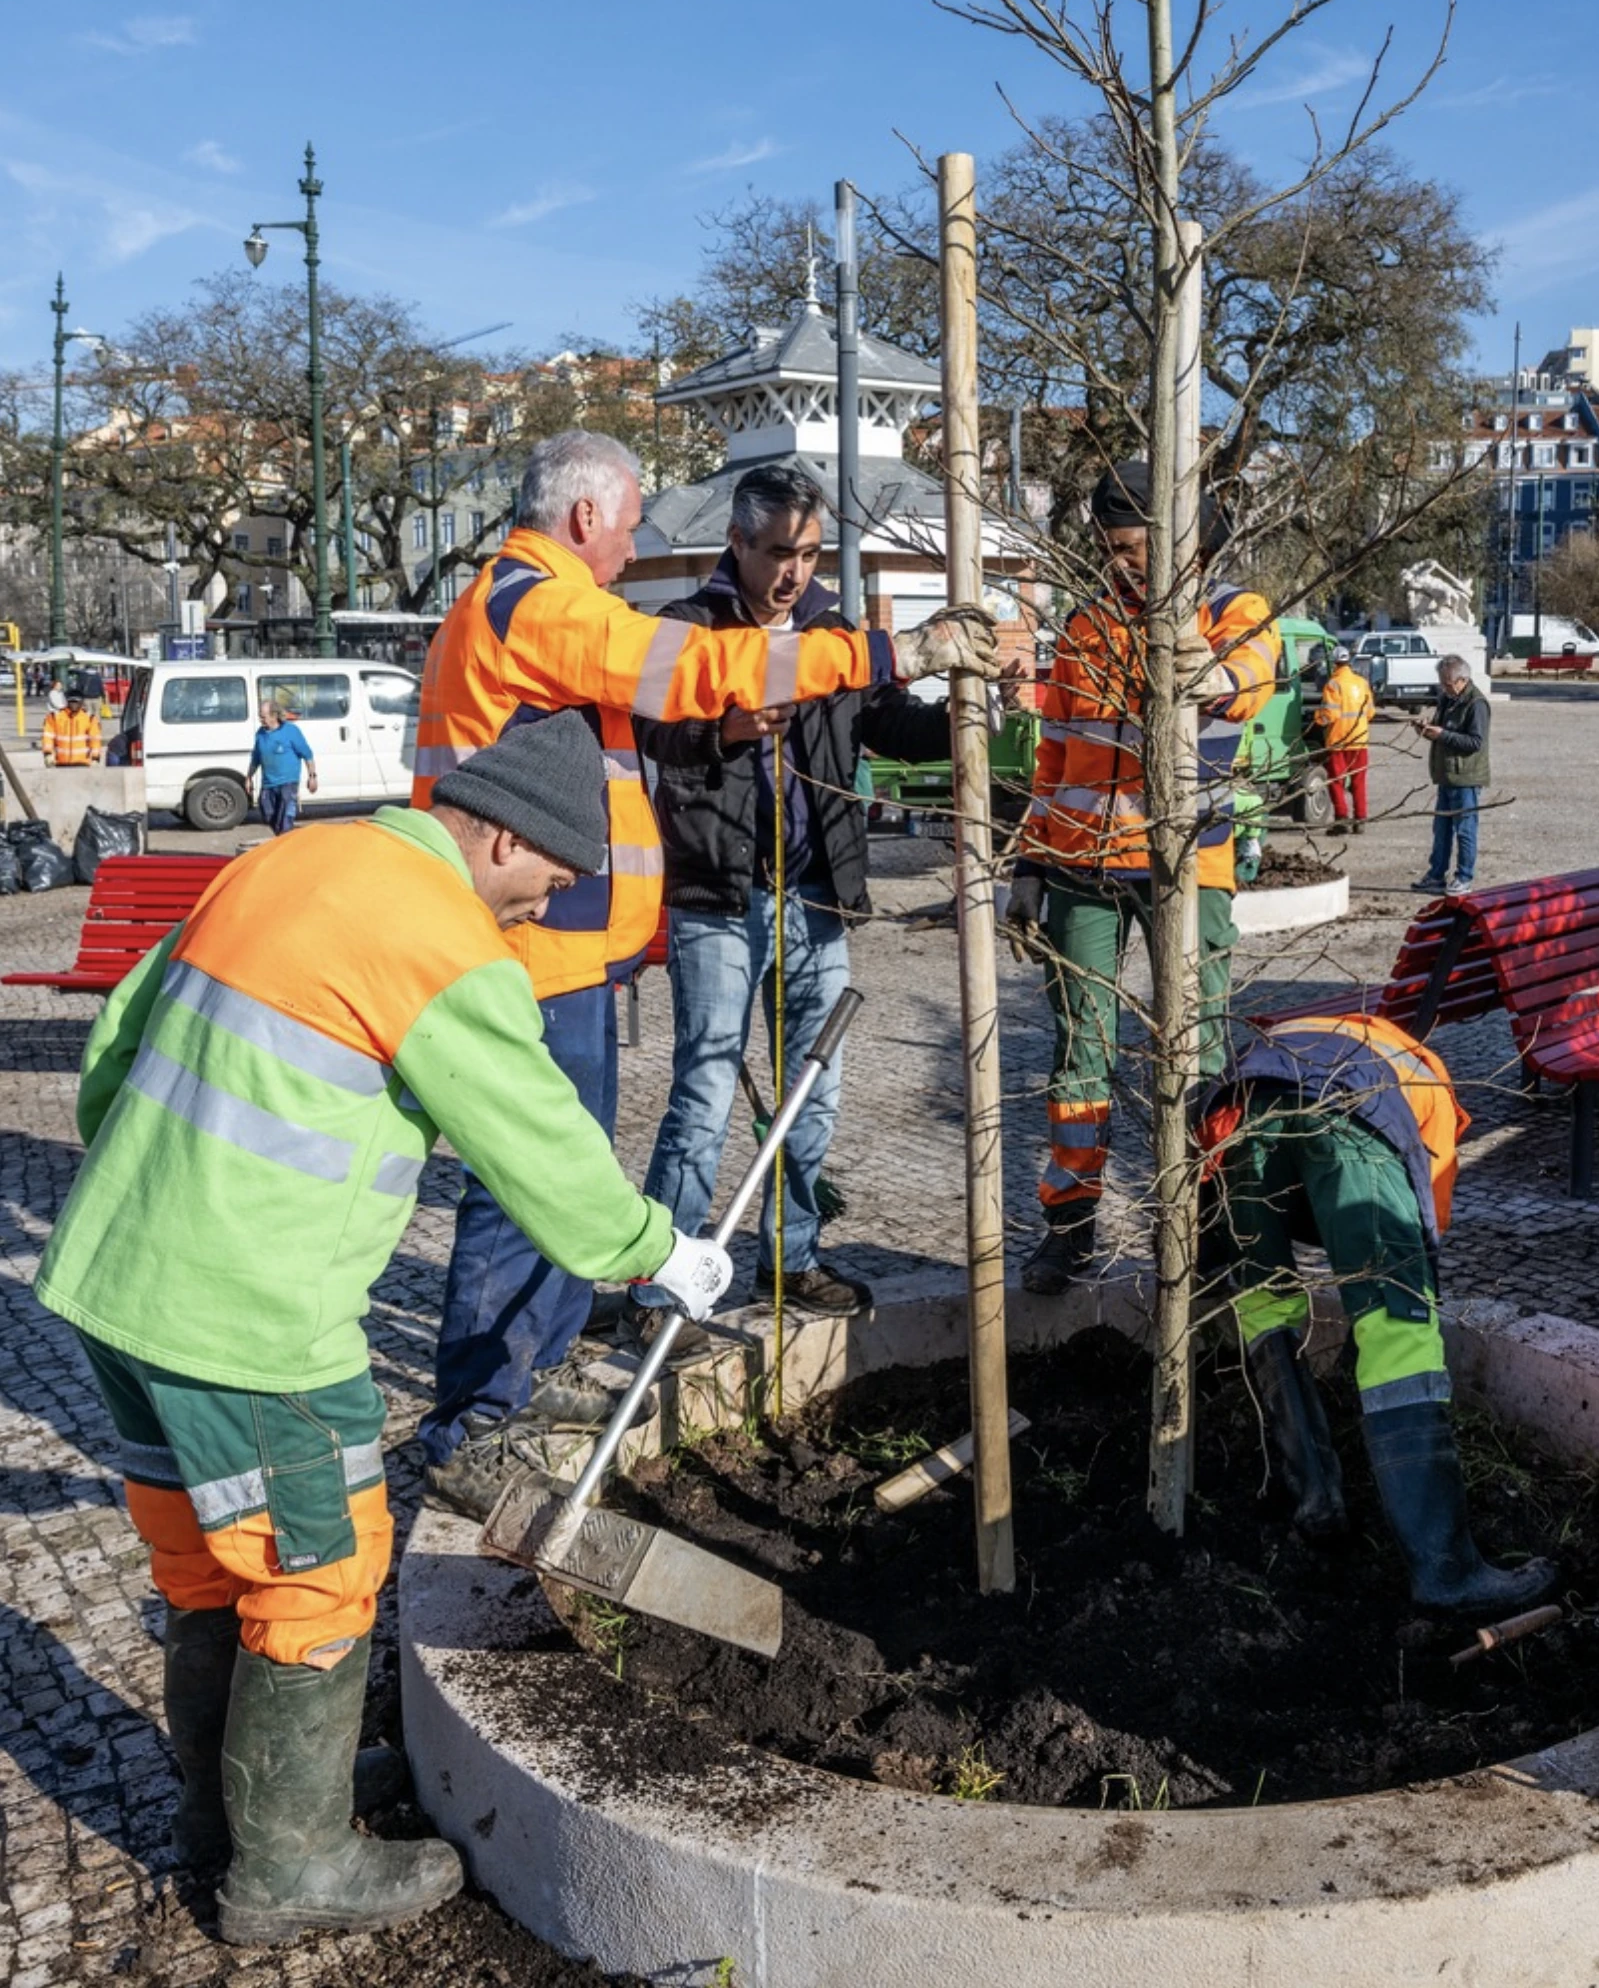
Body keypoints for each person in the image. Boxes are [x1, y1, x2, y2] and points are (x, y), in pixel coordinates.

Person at [32, 713, 735, 1946]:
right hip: (248, 1324)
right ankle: (287, 1867)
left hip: (116, 1280)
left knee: (207, 1568)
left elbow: (115, 1050)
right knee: (322, 1575)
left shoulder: (287, 861)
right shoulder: (445, 942)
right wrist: (657, 1252)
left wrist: (147, 1203)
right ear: (502, 834)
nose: (554, 905)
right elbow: (543, 1148)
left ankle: (235, 1813)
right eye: (556, 876)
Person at [410, 429, 1002, 1486]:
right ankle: (477, 1421)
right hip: (528, 942)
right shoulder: (535, 604)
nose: (638, 542)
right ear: (584, 516)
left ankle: (529, 1378)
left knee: (560, 1173)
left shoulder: (528, 603)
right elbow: (695, 676)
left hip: (565, 941)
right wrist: (887, 648)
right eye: (632, 520)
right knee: (522, 1181)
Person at [638, 464, 986, 1326]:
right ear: (737, 544)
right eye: (778, 553)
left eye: (809, 552)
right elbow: (653, 726)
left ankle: (790, 1261)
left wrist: (973, 709)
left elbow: (889, 723)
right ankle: (662, 1286)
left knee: (812, 1089)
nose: (795, 570)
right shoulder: (685, 627)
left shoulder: (836, 631)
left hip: (818, 893)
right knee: (706, 1087)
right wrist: (722, 729)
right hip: (715, 892)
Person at [1004, 458, 1280, 1295]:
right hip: (1082, 868)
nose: (1122, 561)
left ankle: (1205, 1225)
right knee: (1079, 1052)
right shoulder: (1084, 627)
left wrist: (1194, 655)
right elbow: (1054, 757)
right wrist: (1028, 862)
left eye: (1134, 546)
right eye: (1111, 547)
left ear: (1177, 536)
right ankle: (1071, 1223)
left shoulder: (1233, 611)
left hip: (1189, 869)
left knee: (1194, 1049)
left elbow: (1243, 684)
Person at [1198, 1010, 1555, 1612]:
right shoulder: (1431, 1099)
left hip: (1241, 1114)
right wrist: (1387, 1302)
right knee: (1399, 1326)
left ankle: (1316, 1497)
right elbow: (1419, 1230)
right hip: (1351, 1113)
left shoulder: (1311, 1034)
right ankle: (1447, 1573)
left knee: (1264, 1303)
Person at [1412, 654, 1489, 894]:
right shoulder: (1447, 698)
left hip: (1466, 777)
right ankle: (1436, 875)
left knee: (1465, 829)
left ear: (1462, 680)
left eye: (1448, 683)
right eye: (1442, 683)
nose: (1444, 688)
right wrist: (1425, 729)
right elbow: (1440, 727)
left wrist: (1442, 735)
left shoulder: (1477, 704)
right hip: (1446, 775)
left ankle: (1464, 876)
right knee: (1441, 829)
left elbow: (1476, 742)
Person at [1314, 644, 1374, 834]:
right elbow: (1370, 712)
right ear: (1349, 662)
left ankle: (1341, 819)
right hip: (1360, 740)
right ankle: (1360, 820)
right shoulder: (1362, 683)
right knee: (1359, 782)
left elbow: (1329, 715)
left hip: (1338, 741)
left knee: (1336, 782)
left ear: (1334, 663)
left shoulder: (1333, 684)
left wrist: (1316, 718)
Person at [247, 698, 318, 833]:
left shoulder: (291, 731)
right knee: (268, 815)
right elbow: (255, 758)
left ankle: (287, 845)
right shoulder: (260, 734)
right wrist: (249, 777)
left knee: (285, 821)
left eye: (263, 717)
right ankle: (284, 840)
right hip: (268, 784)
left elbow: (307, 755)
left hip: (288, 783)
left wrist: (312, 776)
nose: (261, 720)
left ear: (274, 716)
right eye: (260, 716)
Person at [42, 688, 103, 767]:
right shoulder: (55, 717)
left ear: (81, 703)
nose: (74, 704)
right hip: (60, 762)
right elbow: (47, 737)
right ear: (67, 702)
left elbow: (95, 740)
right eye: (71, 702)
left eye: (77, 702)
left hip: (82, 763)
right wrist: (48, 754)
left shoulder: (89, 719)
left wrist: (95, 757)